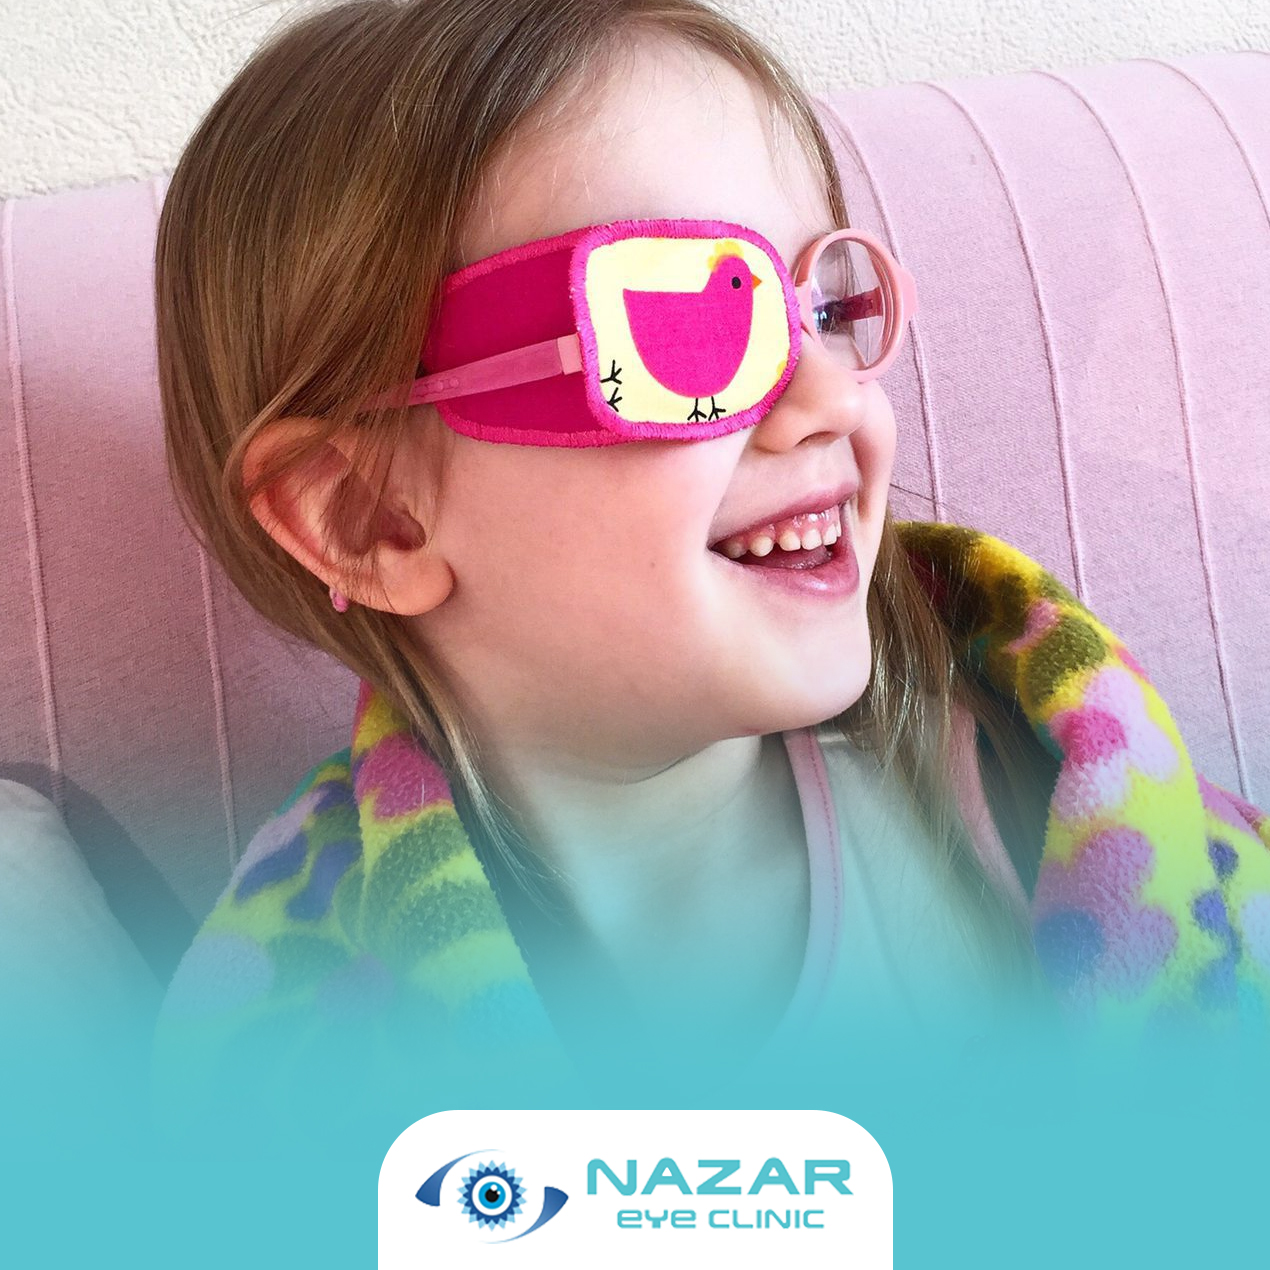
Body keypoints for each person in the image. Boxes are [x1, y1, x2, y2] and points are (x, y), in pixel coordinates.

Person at [150, 0, 1269, 1124]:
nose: (831, 396)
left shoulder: (1039, 799)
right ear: (370, 518)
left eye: (825, 307)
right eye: (681, 330)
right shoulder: (294, 1047)